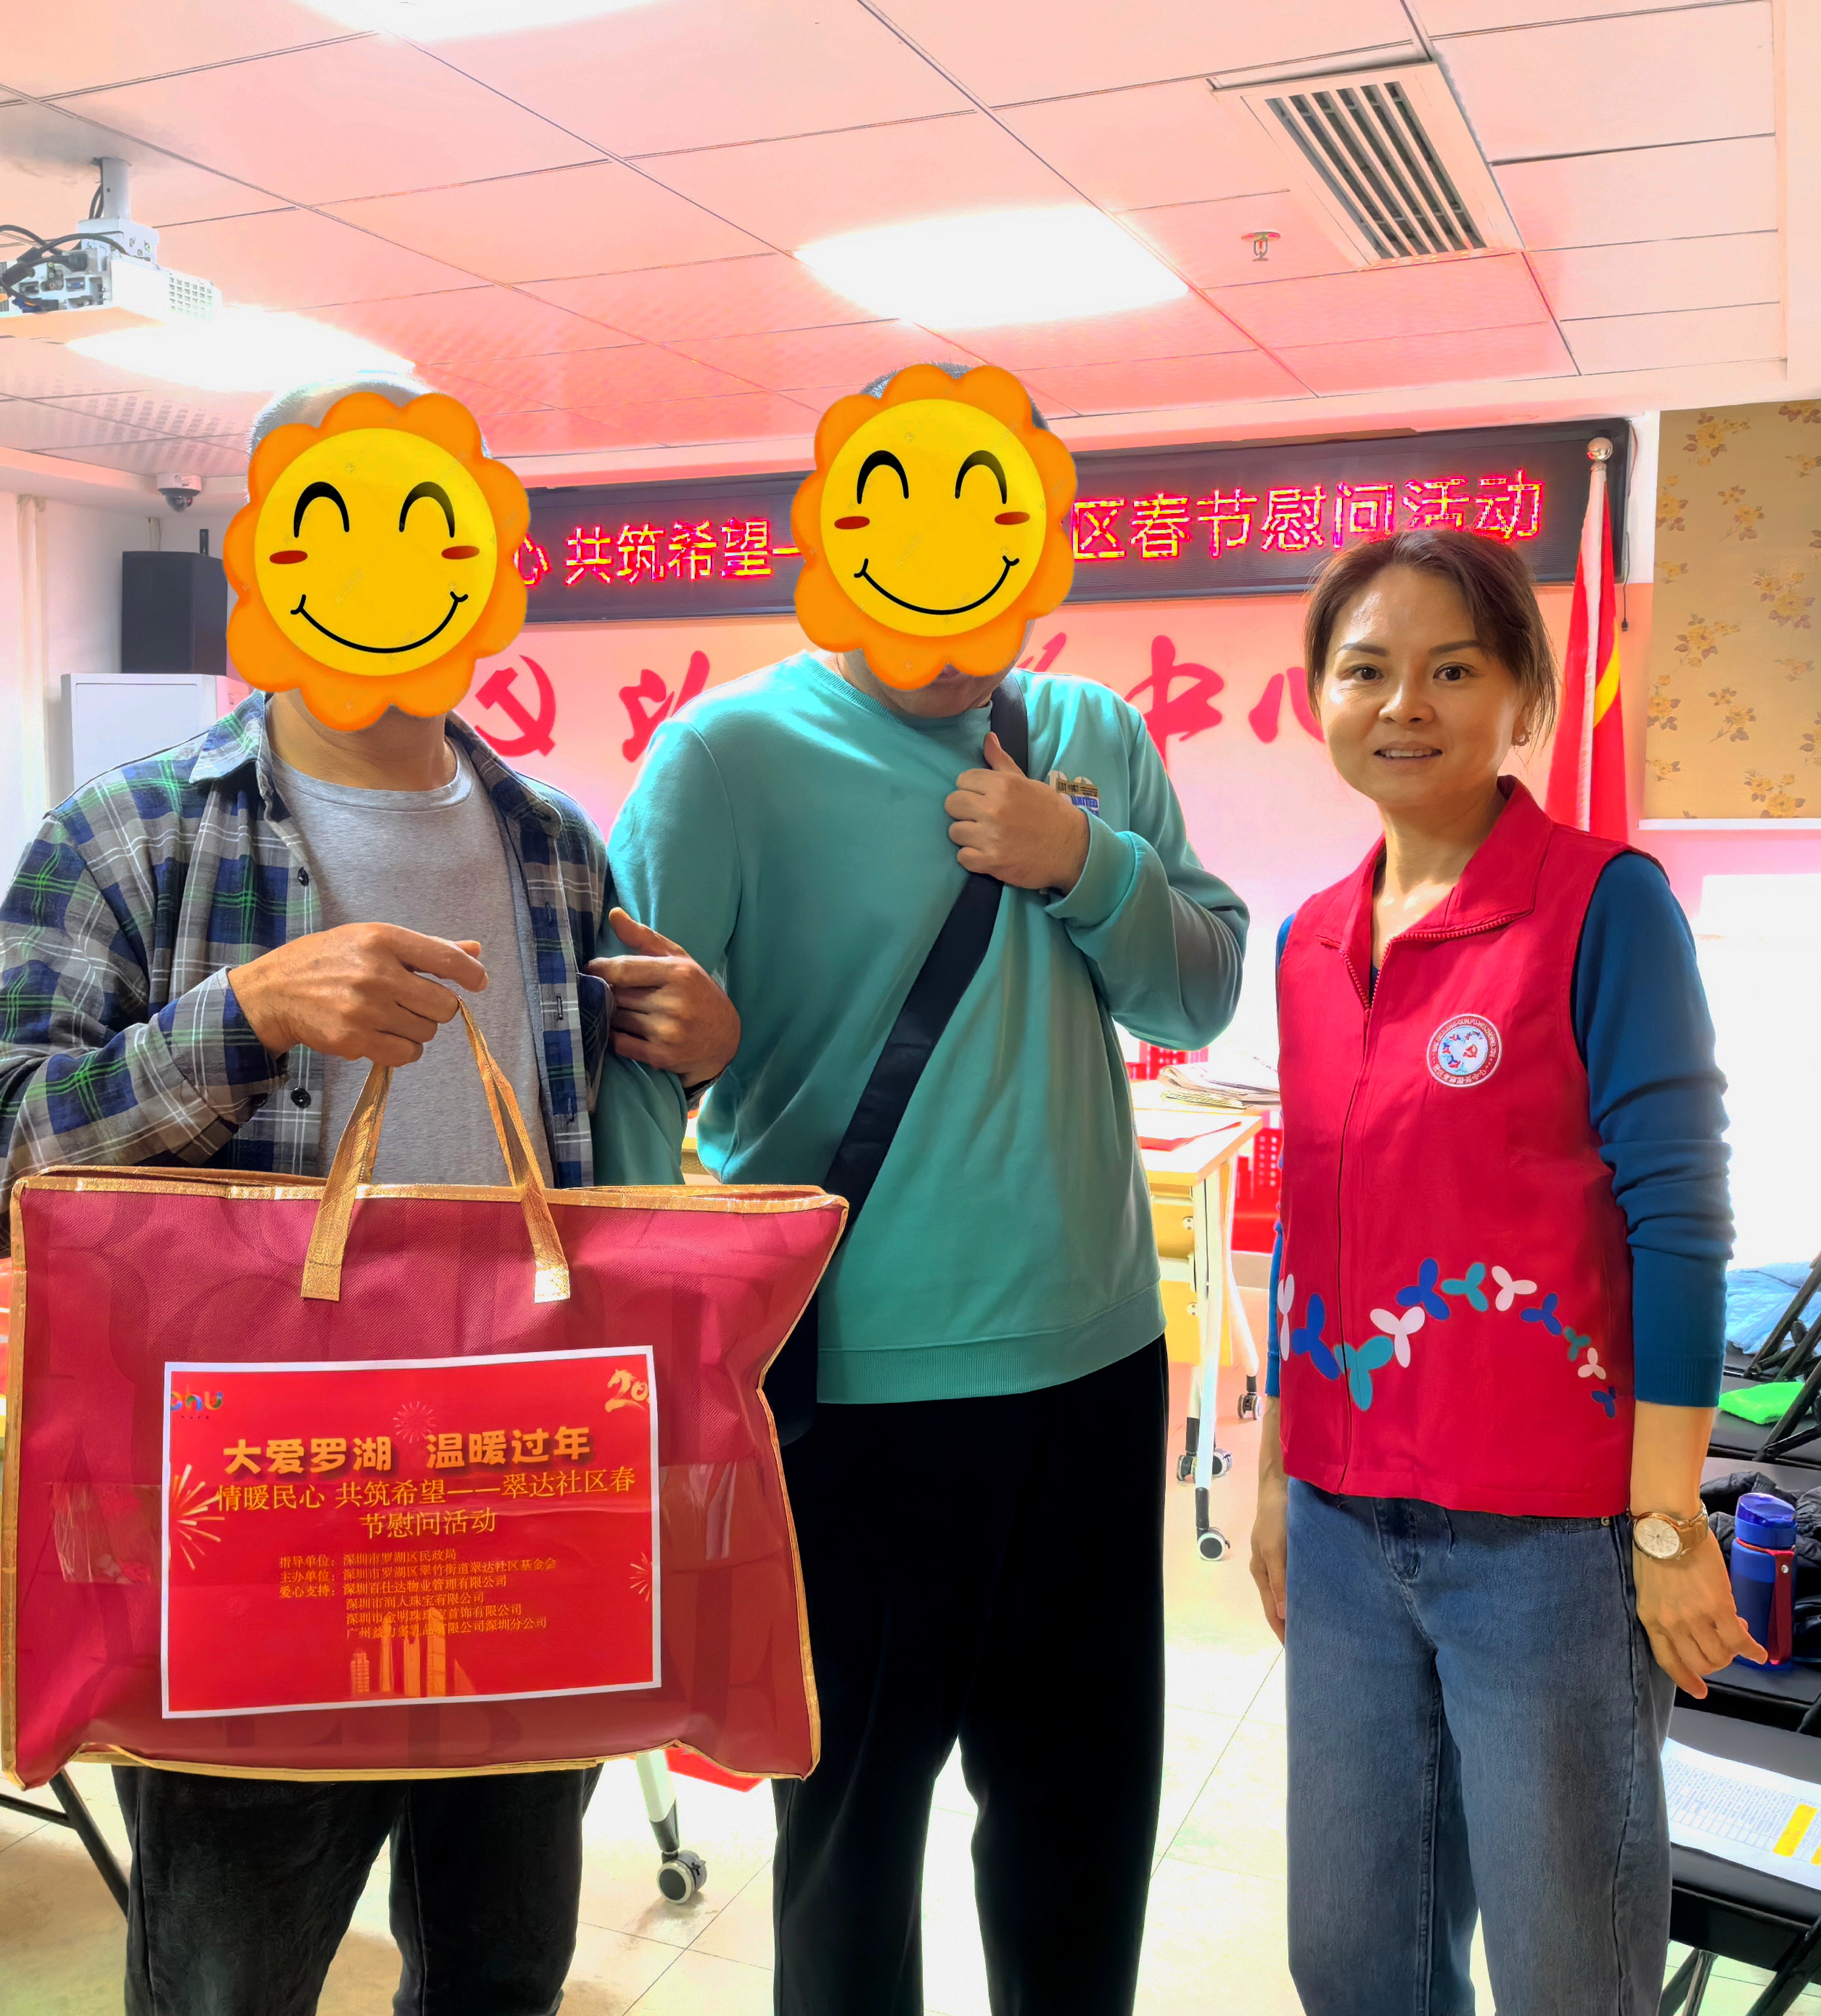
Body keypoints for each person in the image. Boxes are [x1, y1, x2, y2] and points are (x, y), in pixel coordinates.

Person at [0, 377, 740, 2016]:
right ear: (266, 564)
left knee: (500, 1977)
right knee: (228, 1989)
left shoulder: (550, 845)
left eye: (429, 531)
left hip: (518, 1502)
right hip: (255, 1522)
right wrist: (235, 1020)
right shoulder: (127, 837)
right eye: (339, 527)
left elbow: (583, 1167)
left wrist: (703, 1052)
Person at [592, 364, 1248, 2016]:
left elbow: (1197, 993)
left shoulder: (1091, 738)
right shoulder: (723, 756)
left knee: (1080, 1826)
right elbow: (626, 1074)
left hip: (1095, 1362)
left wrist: (1081, 860)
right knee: (850, 1842)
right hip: (852, 1388)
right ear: (840, 538)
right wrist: (648, 1378)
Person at [1246, 527, 1747, 2014]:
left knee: (1567, 1977)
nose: (1404, 703)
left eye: (1452, 670)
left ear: (1524, 696)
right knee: (1354, 1959)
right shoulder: (1308, 940)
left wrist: (1666, 1522)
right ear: (1320, 699)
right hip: (1343, 1528)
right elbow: (1309, 1228)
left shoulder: (1604, 906)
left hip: (1549, 1546)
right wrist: (1274, 1475)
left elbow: (1681, 1221)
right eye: (1365, 670)